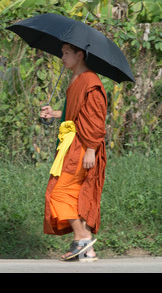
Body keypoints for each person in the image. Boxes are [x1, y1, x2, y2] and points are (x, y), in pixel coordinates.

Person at [40, 43, 107, 262]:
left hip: (82, 146)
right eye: (62, 53)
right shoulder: (76, 80)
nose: (62, 57)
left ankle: (82, 238)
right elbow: (76, 114)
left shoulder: (90, 81)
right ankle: (87, 251)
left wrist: (90, 150)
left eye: (66, 53)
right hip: (72, 143)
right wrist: (55, 113)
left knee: (59, 193)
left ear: (80, 55)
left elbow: (96, 119)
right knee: (74, 195)